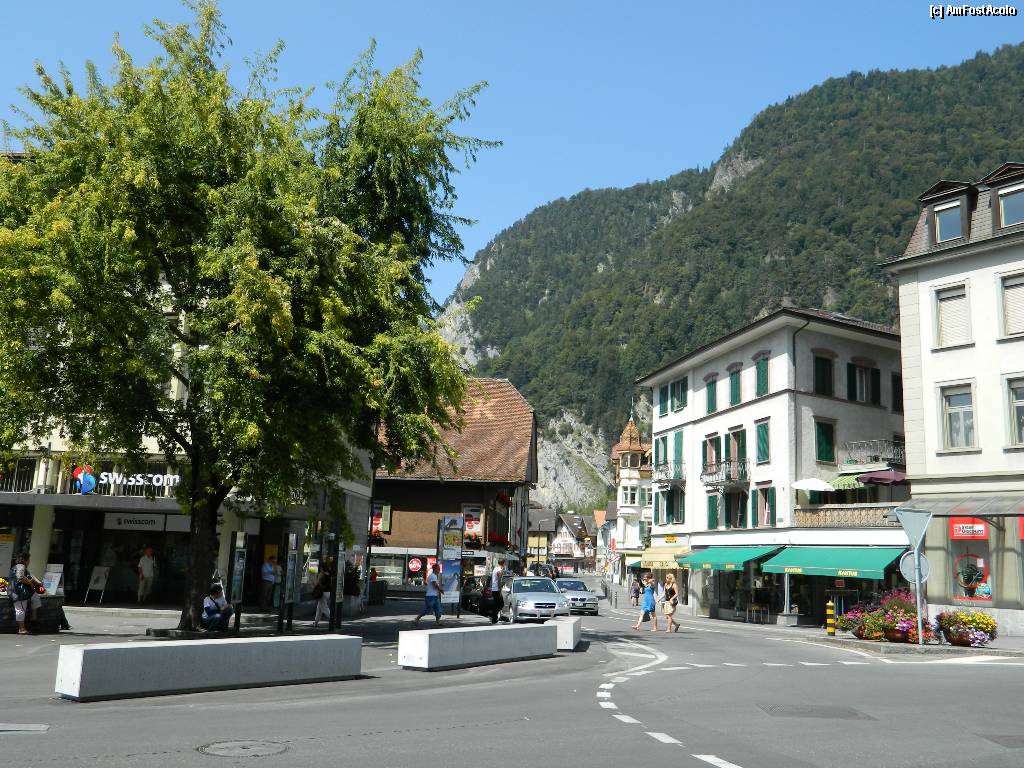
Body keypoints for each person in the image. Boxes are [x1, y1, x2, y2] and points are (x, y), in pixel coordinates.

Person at [9, 553, 42, 635]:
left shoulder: (20, 567)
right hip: (18, 592)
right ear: (25, 560)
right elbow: (20, 578)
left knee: (35, 598)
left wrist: (36, 582)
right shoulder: (20, 566)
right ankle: (21, 629)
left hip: (20, 591)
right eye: (29, 559)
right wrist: (30, 583)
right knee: (20, 609)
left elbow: (29, 576)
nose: (29, 561)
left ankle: (33, 618)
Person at [313, 560, 333, 628]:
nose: (320, 569)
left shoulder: (321, 574)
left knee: (324, 608)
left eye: (320, 568)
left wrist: (313, 586)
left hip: (322, 593)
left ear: (322, 568)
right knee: (319, 608)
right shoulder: (329, 574)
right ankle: (316, 622)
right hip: (328, 593)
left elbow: (317, 583)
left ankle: (333, 619)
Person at [488, 559, 505, 624]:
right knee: (500, 604)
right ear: (503, 563)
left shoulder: (495, 568)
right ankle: (493, 617)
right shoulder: (499, 570)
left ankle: (493, 617)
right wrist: (500, 590)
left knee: (496, 604)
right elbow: (499, 581)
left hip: (494, 588)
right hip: (497, 589)